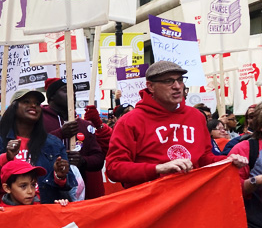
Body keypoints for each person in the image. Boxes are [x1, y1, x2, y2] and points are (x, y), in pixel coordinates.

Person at [106, 61, 247, 188]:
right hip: (149, 204)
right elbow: (114, 168)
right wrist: (158, 168)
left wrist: (227, 160)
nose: (177, 86)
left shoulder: (196, 116)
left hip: (190, 200)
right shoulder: (130, 121)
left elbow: (204, 158)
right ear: (150, 86)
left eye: (180, 80)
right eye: (169, 81)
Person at [0, 89, 75, 206]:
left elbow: (69, 183)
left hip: (43, 212)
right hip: (4, 213)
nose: (33, 105)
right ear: (14, 108)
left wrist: (59, 176)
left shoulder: (53, 143)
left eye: (37, 104)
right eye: (26, 102)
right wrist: (6, 157)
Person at [42, 78, 105, 199]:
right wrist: (60, 134)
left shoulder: (86, 126)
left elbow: (98, 159)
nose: (72, 95)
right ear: (51, 97)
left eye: (74, 92)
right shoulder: (39, 120)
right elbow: (32, 146)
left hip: (81, 196)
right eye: (66, 91)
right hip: (47, 194)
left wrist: (83, 161)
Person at [0, 160, 69, 213]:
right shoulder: (0, 212)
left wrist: (59, 209)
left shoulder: (39, 207)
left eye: (33, 185)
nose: (30, 191)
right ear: (7, 188)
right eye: (23, 186)